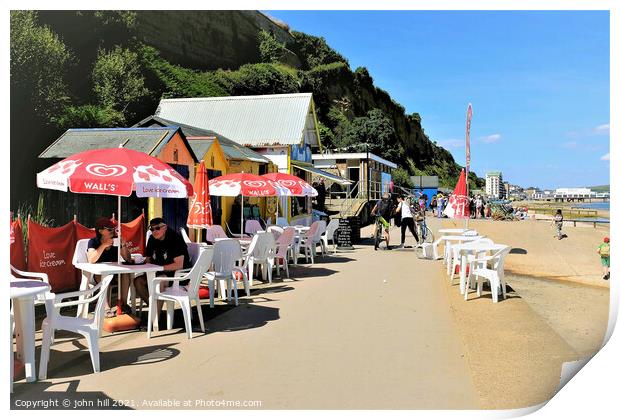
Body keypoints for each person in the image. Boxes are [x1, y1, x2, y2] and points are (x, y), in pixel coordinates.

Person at [132, 218, 191, 303]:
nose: (154, 231)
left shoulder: (175, 239)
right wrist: (139, 263)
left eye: (157, 228)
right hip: (157, 272)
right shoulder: (152, 239)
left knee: (158, 281)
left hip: (177, 275)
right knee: (138, 281)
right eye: (152, 229)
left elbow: (179, 265)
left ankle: (156, 314)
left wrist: (158, 268)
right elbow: (148, 259)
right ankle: (154, 310)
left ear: (165, 227)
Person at [87, 217, 133, 316]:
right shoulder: (93, 242)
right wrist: (103, 246)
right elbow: (91, 259)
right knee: (104, 276)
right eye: (109, 229)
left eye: (113, 229)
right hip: (97, 275)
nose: (112, 231)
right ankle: (106, 307)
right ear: (100, 231)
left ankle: (123, 304)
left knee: (125, 274)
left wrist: (123, 245)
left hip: (114, 273)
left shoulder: (115, 241)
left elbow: (128, 259)